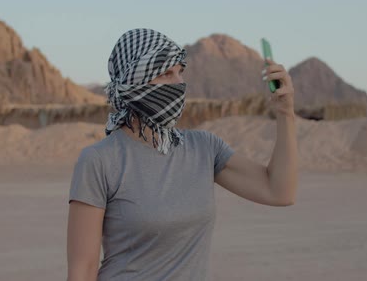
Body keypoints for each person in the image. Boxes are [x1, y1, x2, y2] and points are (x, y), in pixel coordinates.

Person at [66, 28, 297, 281]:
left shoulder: (204, 148)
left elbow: (279, 192)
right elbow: (83, 270)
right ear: (135, 80)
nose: (179, 83)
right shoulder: (100, 161)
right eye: (166, 73)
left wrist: (285, 113)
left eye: (180, 71)